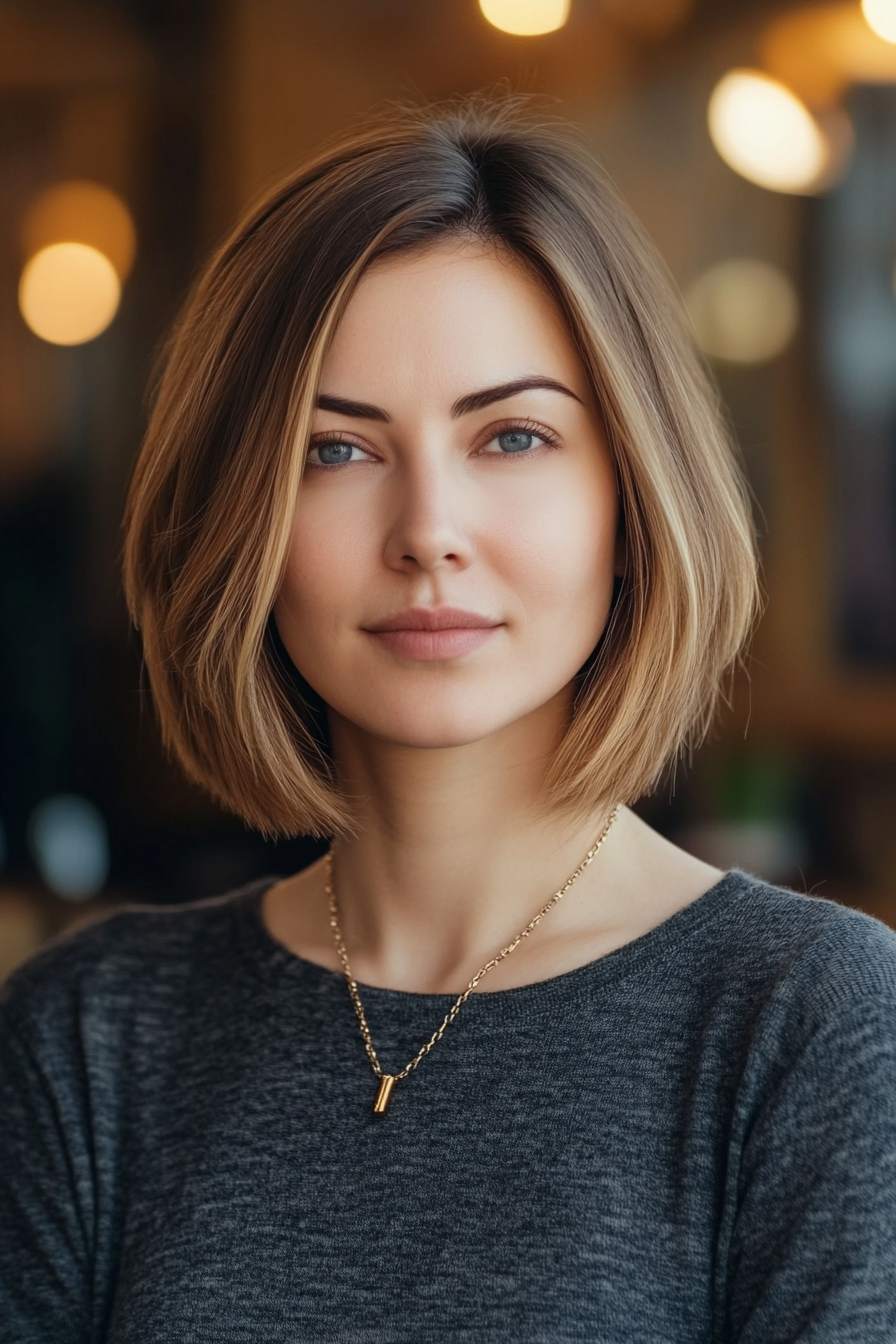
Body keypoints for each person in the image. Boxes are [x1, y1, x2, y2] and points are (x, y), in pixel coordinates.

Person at [1, 97, 894, 1343]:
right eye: (336, 451)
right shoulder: (91, 1038)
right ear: (237, 523)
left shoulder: (810, 1021)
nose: (427, 530)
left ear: (631, 497)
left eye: (512, 436)